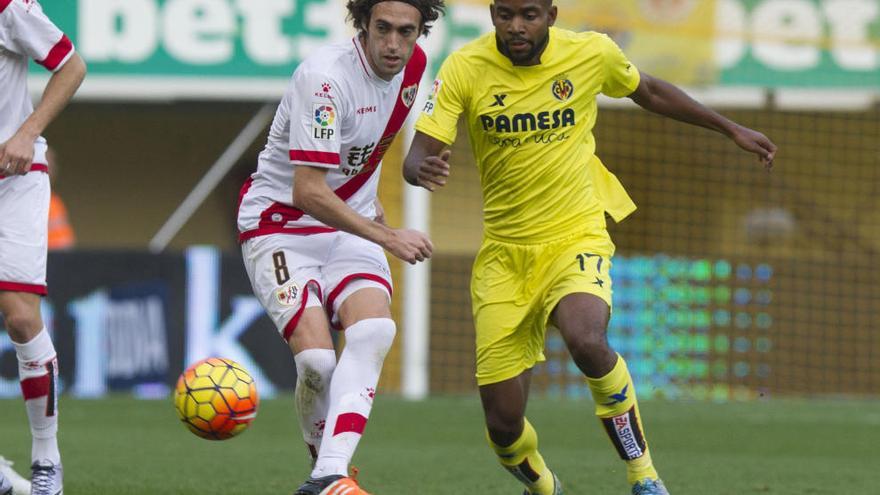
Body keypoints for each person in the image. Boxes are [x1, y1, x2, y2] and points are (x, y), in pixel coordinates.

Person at [403, 1, 777, 494]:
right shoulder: (463, 68)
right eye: (506, 15)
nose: (517, 27)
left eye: (529, 15)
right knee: (504, 426)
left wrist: (731, 128)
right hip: (504, 256)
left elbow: (649, 90)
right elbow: (416, 157)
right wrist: (420, 169)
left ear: (552, 15)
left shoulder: (591, 53)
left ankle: (644, 476)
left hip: (575, 235)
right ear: (492, 13)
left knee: (587, 341)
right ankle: (545, 488)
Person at [236, 1, 445, 493]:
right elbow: (306, 190)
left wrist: (417, 172)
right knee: (317, 363)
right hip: (279, 224)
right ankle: (323, 468)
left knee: (374, 329)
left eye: (406, 32)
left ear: (421, 31)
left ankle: (329, 474)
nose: (394, 44)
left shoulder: (414, 67)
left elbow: (376, 149)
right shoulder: (324, 81)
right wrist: (388, 237)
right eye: (384, 29)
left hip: (351, 223)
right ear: (363, 25)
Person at [0, 0, 86, 494]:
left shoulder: (11, 9)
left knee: (20, 316)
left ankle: (46, 461)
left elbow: (71, 65)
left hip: (14, 179)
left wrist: (27, 132)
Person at [45, 148, 75, 251]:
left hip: (60, 259)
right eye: (47, 163)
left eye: (52, 165)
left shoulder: (55, 201)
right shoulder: (26, 201)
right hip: (40, 259)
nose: (51, 169)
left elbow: (66, 239)